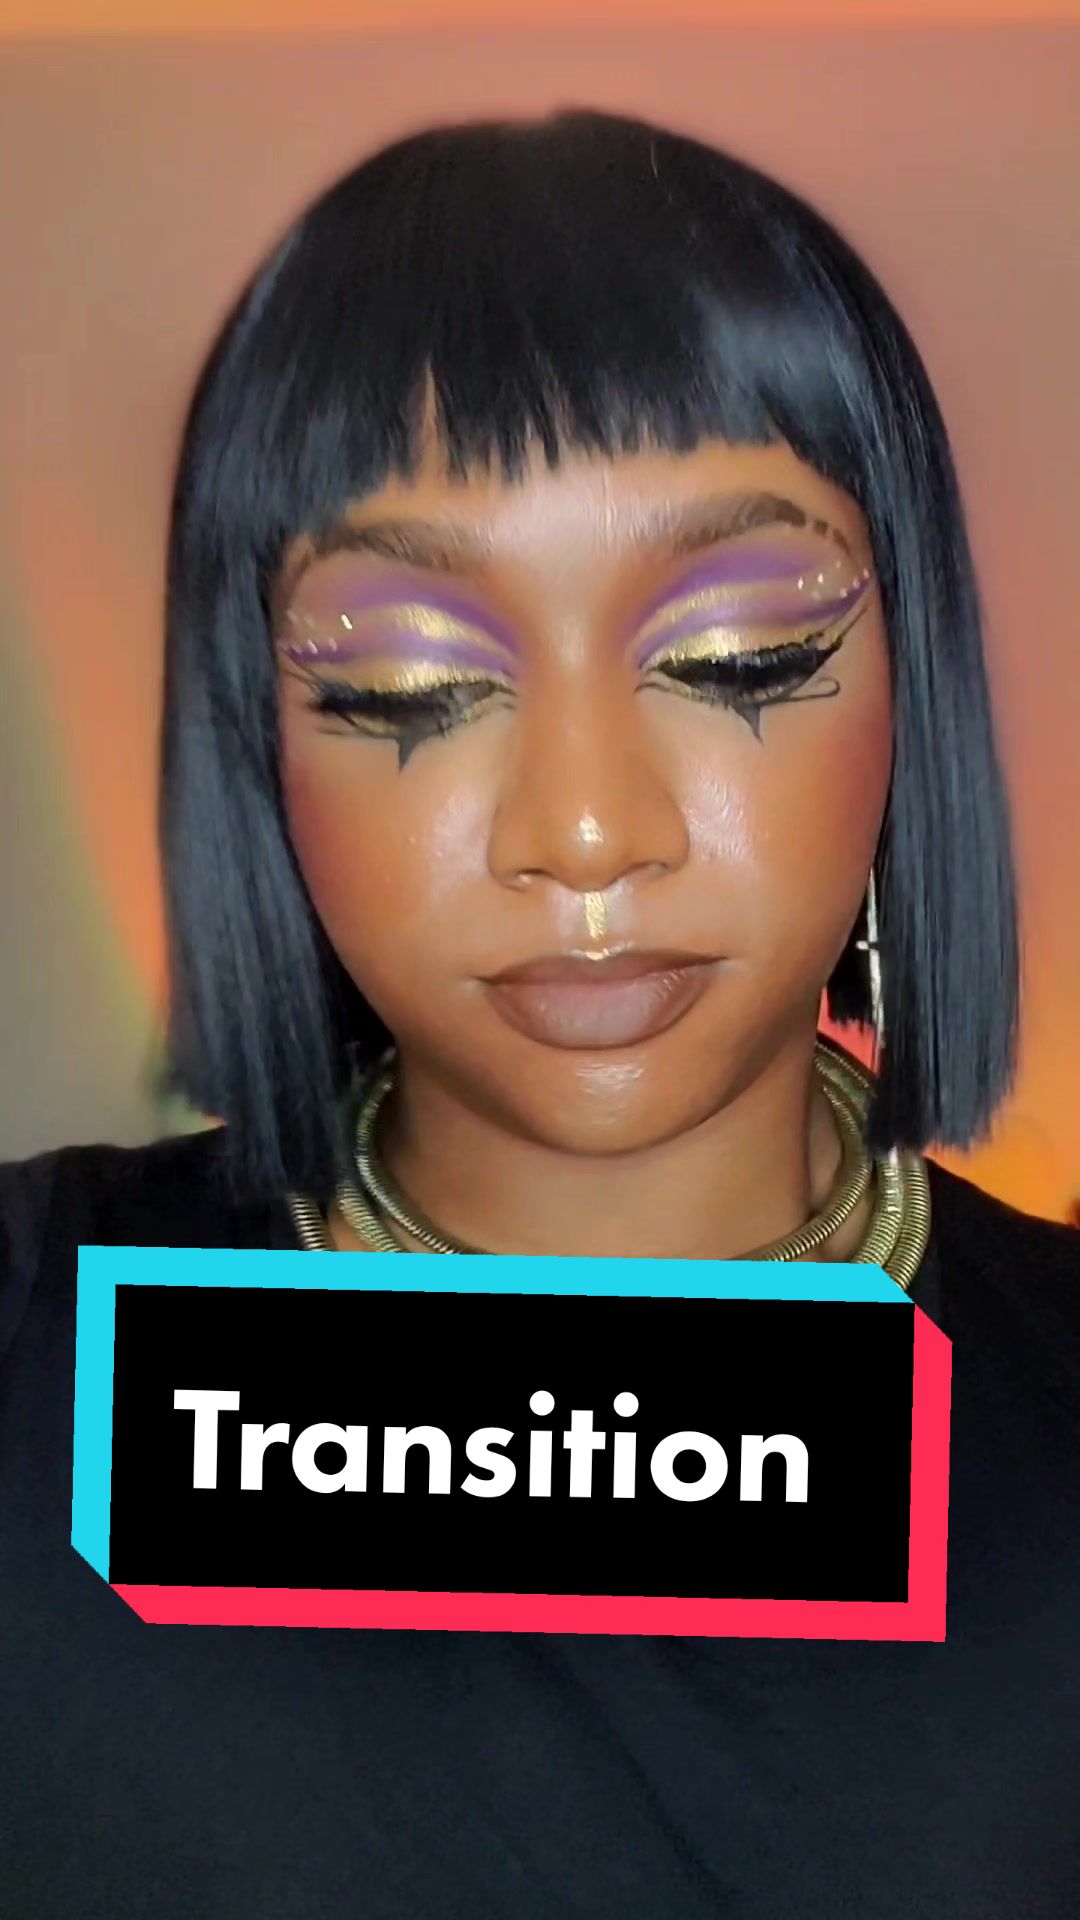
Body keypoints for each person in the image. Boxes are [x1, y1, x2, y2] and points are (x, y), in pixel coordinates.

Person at [1, 108, 1077, 1918]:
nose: (584, 832)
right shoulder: (37, 1334)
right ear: (259, 738)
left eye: (738, 657)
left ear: (913, 684)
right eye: (408, 683)